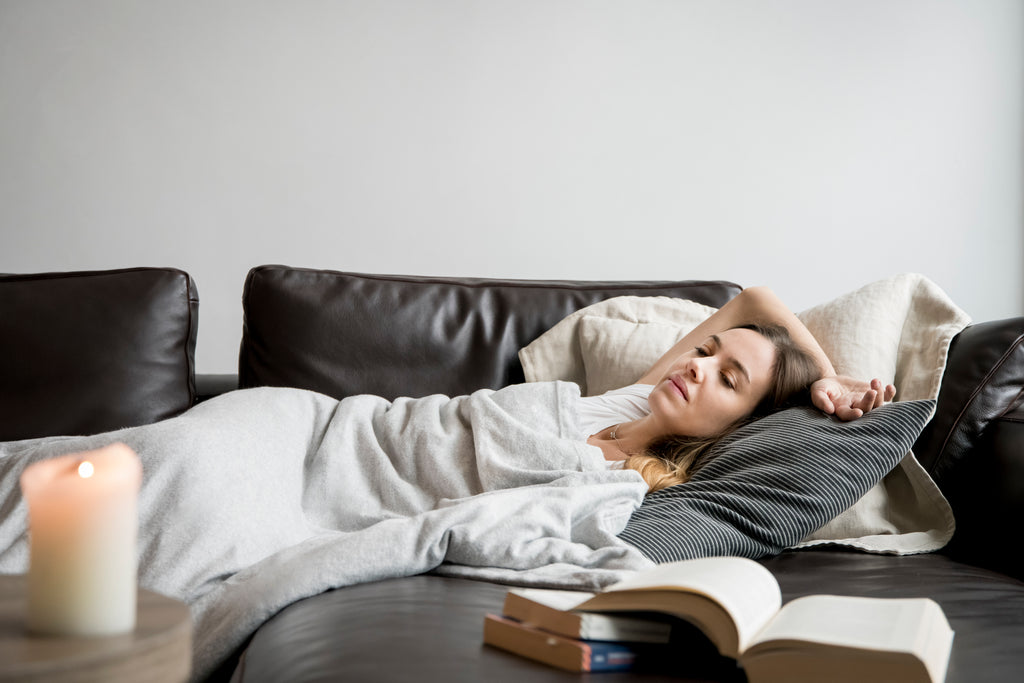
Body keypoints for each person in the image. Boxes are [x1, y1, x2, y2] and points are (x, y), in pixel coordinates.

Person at [580, 287, 897, 492]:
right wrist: (829, 379)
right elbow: (755, 299)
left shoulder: (637, 483)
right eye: (704, 351)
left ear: (740, 425)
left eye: (727, 379)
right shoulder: (635, 400)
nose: (697, 366)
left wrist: (821, 391)